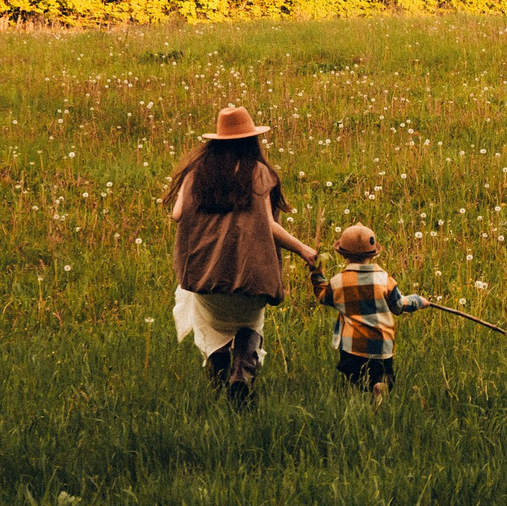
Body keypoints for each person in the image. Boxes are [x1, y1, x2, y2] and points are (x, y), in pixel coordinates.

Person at [165, 105, 319, 393]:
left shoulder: (196, 173)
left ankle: (219, 361)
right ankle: (243, 368)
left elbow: (176, 214)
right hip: (250, 278)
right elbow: (269, 225)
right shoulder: (259, 173)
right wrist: (303, 249)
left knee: (210, 323)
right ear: (252, 141)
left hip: (205, 279)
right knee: (250, 325)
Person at [308, 224, 427, 402]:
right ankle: (380, 385)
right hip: (381, 344)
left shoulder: (338, 282)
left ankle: (355, 399)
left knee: (352, 378)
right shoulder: (384, 279)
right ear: (373, 255)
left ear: (343, 254)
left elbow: (323, 297)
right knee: (383, 373)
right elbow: (398, 306)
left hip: (352, 345)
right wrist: (418, 301)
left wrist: (316, 273)